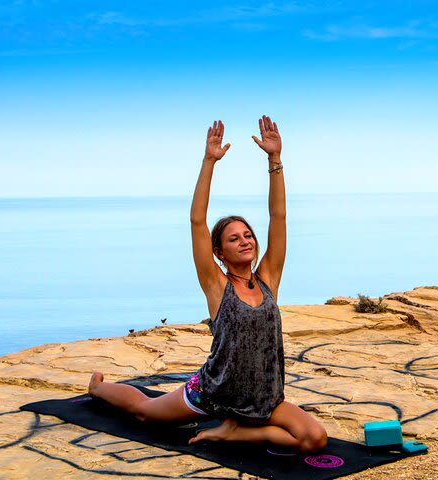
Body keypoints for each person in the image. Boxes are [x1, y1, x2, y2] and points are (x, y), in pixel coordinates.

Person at [88, 115, 328, 452]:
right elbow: (197, 220)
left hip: (264, 399)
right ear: (219, 252)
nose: (245, 241)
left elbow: (278, 216)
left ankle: (236, 432)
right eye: (234, 239)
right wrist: (209, 162)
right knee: (145, 413)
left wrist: (275, 160)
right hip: (214, 393)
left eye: (248, 235)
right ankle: (98, 388)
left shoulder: (269, 278)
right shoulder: (217, 285)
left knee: (314, 438)